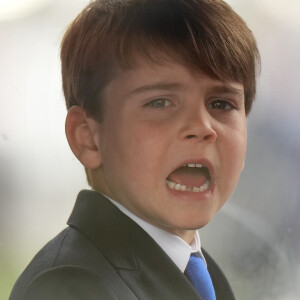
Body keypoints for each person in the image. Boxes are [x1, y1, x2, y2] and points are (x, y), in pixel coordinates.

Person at [10, 0, 260, 299]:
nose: (202, 126)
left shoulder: (204, 274)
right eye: (160, 102)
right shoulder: (73, 286)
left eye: (221, 104)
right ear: (88, 138)